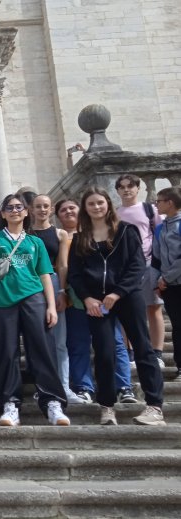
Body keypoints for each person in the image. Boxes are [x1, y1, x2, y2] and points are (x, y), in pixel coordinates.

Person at [0, 193, 70, 427]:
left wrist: (51, 306)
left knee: (42, 351)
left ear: (25, 212)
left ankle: (52, 401)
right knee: (6, 353)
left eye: (18, 207)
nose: (14, 211)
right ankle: (9, 403)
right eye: (9, 207)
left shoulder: (35, 242)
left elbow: (45, 274)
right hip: (3, 301)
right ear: (2, 213)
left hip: (33, 298)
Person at [68, 187, 165, 426]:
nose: (96, 207)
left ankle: (154, 406)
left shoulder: (126, 231)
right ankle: (107, 406)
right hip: (95, 302)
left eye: (100, 202)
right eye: (91, 204)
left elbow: (137, 266)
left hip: (127, 297)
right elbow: (75, 274)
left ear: (108, 204)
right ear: (85, 208)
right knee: (103, 352)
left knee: (142, 348)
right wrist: (87, 298)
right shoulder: (81, 238)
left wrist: (117, 293)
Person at [54, 199, 134, 404]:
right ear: (58, 216)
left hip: (104, 297)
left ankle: (123, 386)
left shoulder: (101, 233)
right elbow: (66, 269)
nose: (68, 212)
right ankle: (84, 386)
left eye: (72, 207)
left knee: (115, 342)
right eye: (63, 210)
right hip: (77, 298)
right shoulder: (62, 237)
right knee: (78, 343)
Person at [30, 195, 83, 404]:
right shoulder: (26, 235)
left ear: (51, 209)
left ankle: (63, 386)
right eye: (38, 207)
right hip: (31, 285)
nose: (42, 210)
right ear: (31, 210)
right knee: (36, 340)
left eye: (45, 206)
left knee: (60, 340)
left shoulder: (60, 233)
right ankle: (41, 386)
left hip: (52, 281)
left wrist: (62, 291)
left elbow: (62, 265)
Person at [115, 174, 166, 367]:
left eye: (130, 186)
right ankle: (130, 352)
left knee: (153, 308)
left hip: (148, 263)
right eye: (122, 187)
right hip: (125, 267)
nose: (126, 190)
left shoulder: (150, 209)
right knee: (126, 311)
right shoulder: (116, 213)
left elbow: (160, 235)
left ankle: (157, 352)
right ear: (118, 190)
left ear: (138, 189)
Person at [153, 186, 181, 380]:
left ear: (170, 202)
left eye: (159, 201)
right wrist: (158, 281)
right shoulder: (160, 227)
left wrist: (166, 278)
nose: (156, 204)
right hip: (169, 287)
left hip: (172, 281)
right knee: (178, 326)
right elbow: (156, 257)